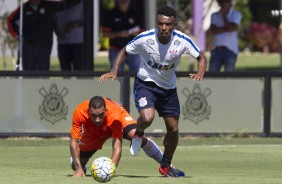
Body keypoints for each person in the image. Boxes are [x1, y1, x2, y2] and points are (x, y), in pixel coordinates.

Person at [99, 5, 207, 177]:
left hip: (168, 90)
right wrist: (114, 70)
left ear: (174, 25)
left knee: (173, 130)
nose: (164, 28)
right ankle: (138, 133)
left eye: (168, 24)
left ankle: (165, 164)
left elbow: (201, 56)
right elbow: (124, 50)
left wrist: (201, 72)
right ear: (157, 23)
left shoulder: (182, 40)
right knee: (147, 118)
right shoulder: (145, 38)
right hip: (145, 84)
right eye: (161, 24)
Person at [70, 96, 165, 177]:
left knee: (136, 136)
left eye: (101, 115)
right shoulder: (79, 112)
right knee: (75, 164)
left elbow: (117, 147)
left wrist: (109, 171)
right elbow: (74, 141)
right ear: (88, 111)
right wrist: (78, 169)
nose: (98, 119)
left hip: (118, 119)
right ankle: (81, 168)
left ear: (105, 111)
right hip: (94, 132)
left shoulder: (114, 115)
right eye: (94, 116)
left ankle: (165, 164)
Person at [7, 0, 64, 71]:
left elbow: (65, 4)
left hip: (45, 47)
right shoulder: (23, 8)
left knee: (43, 74)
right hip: (28, 46)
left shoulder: (50, 5)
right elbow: (10, 20)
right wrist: (16, 34)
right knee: (27, 74)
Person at [101, 0, 142, 72]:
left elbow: (143, 32)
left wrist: (136, 34)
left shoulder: (135, 13)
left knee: (139, 74)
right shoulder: (111, 14)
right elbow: (105, 34)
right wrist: (119, 34)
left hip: (133, 50)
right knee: (116, 75)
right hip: (116, 50)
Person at [208, 0, 242, 72]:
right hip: (216, 50)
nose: (223, 4)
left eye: (226, 2)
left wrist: (223, 16)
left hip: (230, 50)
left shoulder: (236, 14)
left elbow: (232, 28)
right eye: (221, 2)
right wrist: (227, 28)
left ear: (230, 3)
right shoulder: (214, 15)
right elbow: (213, 31)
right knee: (212, 76)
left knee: (229, 77)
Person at [55, 0, 84, 71]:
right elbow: (53, 22)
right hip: (62, 44)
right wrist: (57, 32)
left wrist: (73, 25)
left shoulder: (82, 4)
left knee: (80, 71)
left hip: (78, 44)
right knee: (65, 72)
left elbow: (88, 21)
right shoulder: (57, 5)